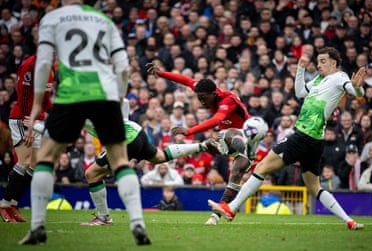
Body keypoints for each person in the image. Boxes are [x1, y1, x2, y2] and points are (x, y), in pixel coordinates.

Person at [19, 0, 148, 245]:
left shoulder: (51, 19)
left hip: (71, 94)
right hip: (105, 94)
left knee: (46, 158)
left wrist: (36, 107)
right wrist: (119, 96)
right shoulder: (103, 19)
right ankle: (137, 223)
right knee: (121, 160)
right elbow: (123, 67)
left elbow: (43, 62)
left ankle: (37, 227)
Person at [208, 47, 366, 230]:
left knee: (262, 167)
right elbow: (300, 93)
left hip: (303, 135)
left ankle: (232, 208)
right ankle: (349, 221)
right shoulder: (319, 79)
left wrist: (358, 87)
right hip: (315, 141)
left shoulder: (340, 77)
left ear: (334, 63)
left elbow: (355, 91)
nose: (319, 65)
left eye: (323, 61)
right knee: (314, 188)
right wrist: (300, 70)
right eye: (318, 61)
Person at [79, 99, 219, 225]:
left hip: (124, 139)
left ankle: (104, 218)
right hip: (137, 130)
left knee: (92, 174)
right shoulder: (94, 98)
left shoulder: (76, 106)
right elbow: (125, 101)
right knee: (160, 157)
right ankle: (202, 145)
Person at [147, 63, 252, 225]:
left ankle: (215, 216)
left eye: (204, 98)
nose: (201, 102)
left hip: (247, 136)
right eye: (199, 98)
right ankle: (222, 146)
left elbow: (216, 120)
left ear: (213, 93)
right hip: (228, 136)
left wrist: (189, 131)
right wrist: (161, 74)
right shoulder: (205, 89)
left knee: (236, 171)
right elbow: (186, 80)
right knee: (231, 141)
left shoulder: (227, 100)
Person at [0, 54, 52, 223]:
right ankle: (4, 204)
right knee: (24, 161)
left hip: (36, 120)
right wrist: (29, 124)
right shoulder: (30, 64)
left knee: (35, 165)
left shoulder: (49, 67)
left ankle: (13, 204)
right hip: (23, 119)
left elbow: (45, 99)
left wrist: (51, 112)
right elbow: (22, 95)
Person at [205, 116, 269, 225]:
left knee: (236, 175)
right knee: (230, 135)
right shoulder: (230, 126)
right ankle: (217, 215)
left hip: (244, 150)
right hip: (233, 141)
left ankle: (217, 215)